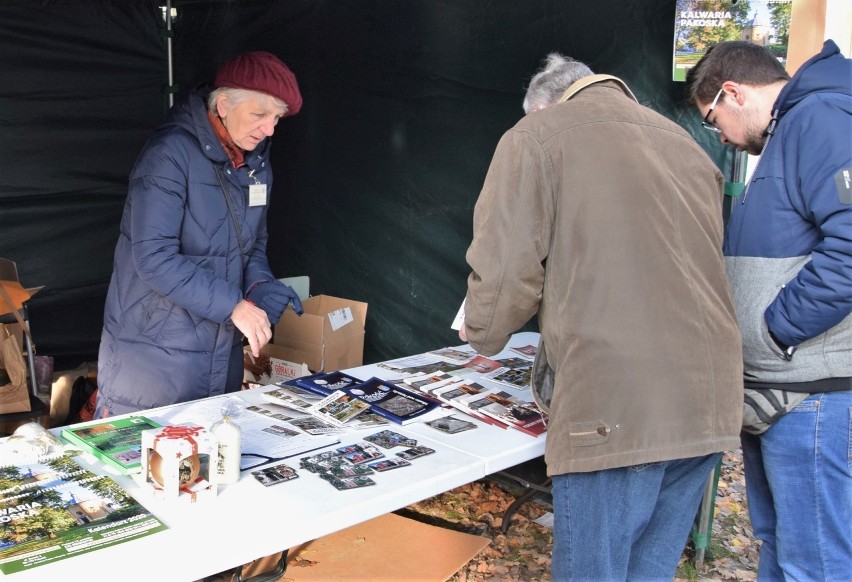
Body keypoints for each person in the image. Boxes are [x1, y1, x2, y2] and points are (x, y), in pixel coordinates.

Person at [459, 52, 744, 580]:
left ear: (542, 108)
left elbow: (506, 270)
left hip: (618, 408)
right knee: (646, 571)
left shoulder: (537, 137)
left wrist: (482, 331)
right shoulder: (686, 145)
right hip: (710, 400)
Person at [686, 40, 852, 581]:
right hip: (781, 389)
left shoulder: (820, 119)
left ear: (732, 94)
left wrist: (775, 330)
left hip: (812, 394)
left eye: (714, 122)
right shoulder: (794, 127)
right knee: (780, 543)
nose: (723, 137)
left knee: (816, 559)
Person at [95, 51, 305, 418]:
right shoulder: (169, 154)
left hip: (219, 349)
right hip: (154, 353)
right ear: (223, 104)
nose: (270, 129)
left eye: (277, 118)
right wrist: (233, 306)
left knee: (209, 462)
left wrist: (259, 294)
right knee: (150, 462)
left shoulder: (256, 162)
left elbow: (253, 246)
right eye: (260, 114)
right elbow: (154, 258)